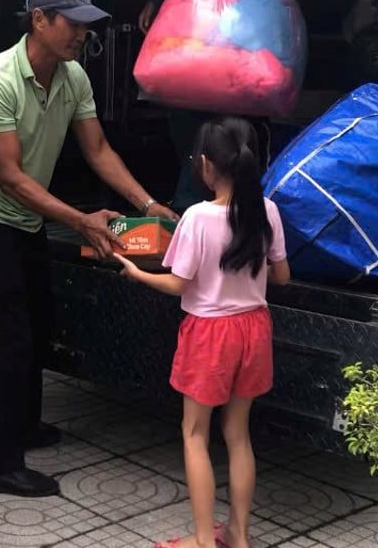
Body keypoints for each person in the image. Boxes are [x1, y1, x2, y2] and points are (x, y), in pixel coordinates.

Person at [0, 0, 180, 498]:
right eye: (72, 23)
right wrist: (80, 220)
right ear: (39, 20)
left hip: (28, 220)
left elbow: (98, 151)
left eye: (86, 23)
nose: (81, 33)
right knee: (4, 343)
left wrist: (146, 204)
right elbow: (10, 178)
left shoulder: (73, 76)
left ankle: (24, 425)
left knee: (36, 326)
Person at [117, 116, 290, 548]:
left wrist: (136, 273)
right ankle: (239, 534)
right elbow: (282, 276)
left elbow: (178, 283)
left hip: (210, 333)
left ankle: (201, 541)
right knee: (238, 435)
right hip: (254, 329)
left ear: (207, 166)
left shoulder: (196, 217)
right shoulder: (267, 211)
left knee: (195, 434)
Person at [138, 0, 295, 212]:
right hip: (184, 26)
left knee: (226, 126)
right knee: (182, 119)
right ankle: (199, 203)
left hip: (234, 28)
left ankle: (202, 207)